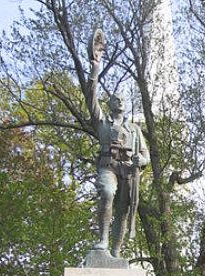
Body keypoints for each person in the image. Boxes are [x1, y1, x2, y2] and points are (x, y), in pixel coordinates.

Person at [86, 30, 150, 257]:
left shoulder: (134, 130)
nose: (120, 101)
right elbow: (90, 97)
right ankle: (103, 239)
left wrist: (139, 160)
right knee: (106, 191)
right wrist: (95, 69)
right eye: (116, 99)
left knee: (122, 211)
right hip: (108, 165)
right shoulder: (102, 123)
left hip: (129, 171)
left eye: (123, 99)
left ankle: (115, 250)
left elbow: (145, 156)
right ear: (110, 103)